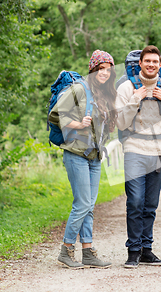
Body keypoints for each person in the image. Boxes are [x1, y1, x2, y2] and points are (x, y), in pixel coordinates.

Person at [115, 45, 161, 268]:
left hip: (158, 152)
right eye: (147, 61)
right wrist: (135, 99)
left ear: (160, 65)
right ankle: (133, 250)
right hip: (134, 150)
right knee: (135, 202)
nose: (151, 65)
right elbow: (121, 123)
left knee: (150, 204)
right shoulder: (126, 88)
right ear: (140, 64)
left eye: (155, 62)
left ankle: (147, 250)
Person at [50, 50, 117, 269]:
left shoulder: (103, 94)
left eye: (108, 69)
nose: (104, 73)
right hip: (76, 153)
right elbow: (56, 113)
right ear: (93, 68)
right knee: (82, 204)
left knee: (89, 206)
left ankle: (88, 252)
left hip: (94, 156)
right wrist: (77, 124)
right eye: (100, 68)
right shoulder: (79, 88)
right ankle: (66, 249)